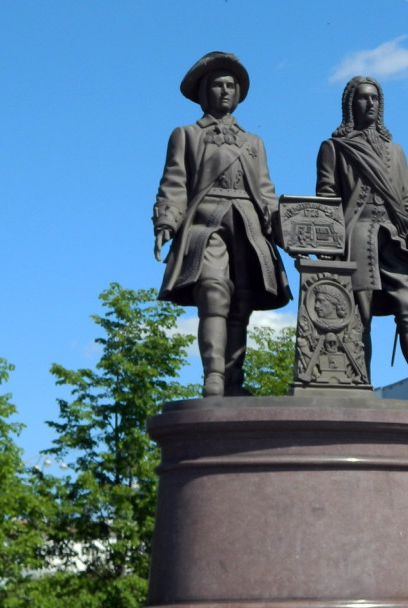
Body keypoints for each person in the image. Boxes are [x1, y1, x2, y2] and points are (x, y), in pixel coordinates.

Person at [153, 51, 292, 397]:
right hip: (206, 224)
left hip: (248, 227)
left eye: (231, 85)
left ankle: (234, 380)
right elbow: (175, 183)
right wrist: (167, 221)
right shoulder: (186, 135)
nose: (225, 90)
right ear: (205, 92)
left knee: (242, 302)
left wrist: (289, 230)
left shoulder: (253, 142)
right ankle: (213, 377)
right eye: (218, 85)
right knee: (213, 292)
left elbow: (266, 193)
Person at [316, 76, 408, 405]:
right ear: (350, 105)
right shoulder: (334, 148)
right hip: (354, 237)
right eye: (363, 98)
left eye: (375, 98)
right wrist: (326, 246)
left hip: (393, 239)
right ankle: (359, 387)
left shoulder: (395, 151)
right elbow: (326, 199)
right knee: (358, 316)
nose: (370, 103)